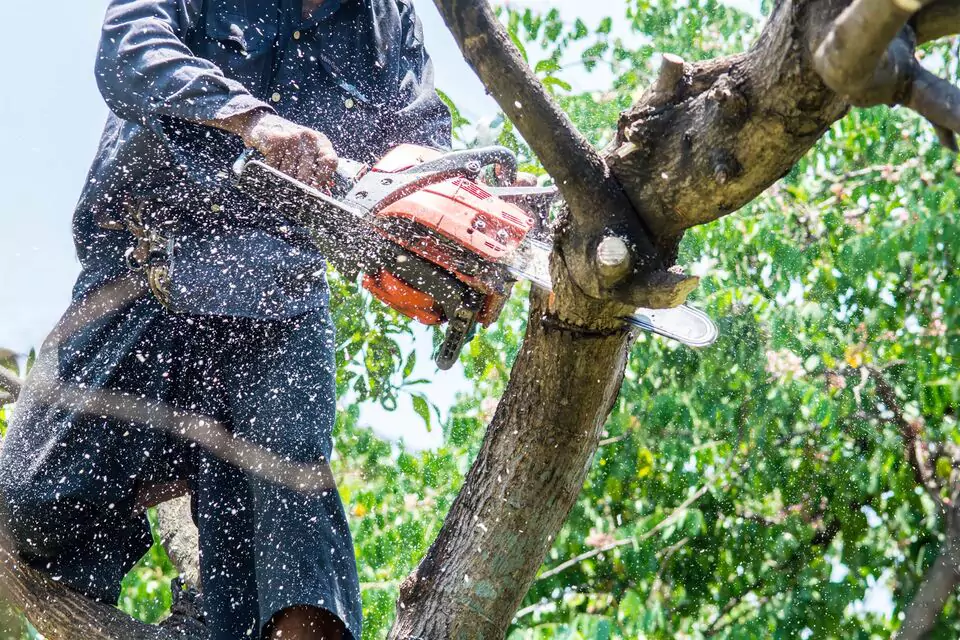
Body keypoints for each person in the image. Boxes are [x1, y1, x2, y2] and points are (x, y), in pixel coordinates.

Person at [0, 0, 451, 638]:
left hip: (279, 289)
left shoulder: (386, 20)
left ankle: (224, 606)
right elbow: (128, 45)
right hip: (148, 263)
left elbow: (421, 138)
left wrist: (446, 223)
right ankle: (177, 465)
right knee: (29, 505)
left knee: (291, 523)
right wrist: (253, 122)